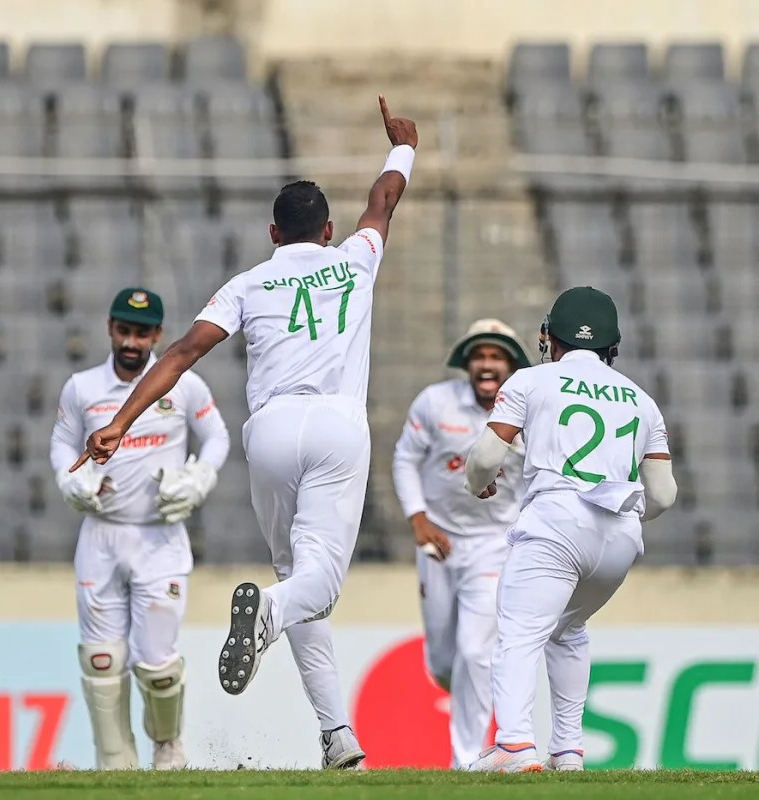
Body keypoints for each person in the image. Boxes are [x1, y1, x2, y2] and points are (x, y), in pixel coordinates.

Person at [72, 95, 417, 769]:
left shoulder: (247, 284)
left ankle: (337, 737)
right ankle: (270, 609)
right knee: (312, 587)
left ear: (271, 233)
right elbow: (384, 198)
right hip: (337, 429)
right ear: (326, 232)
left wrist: (118, 421)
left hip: (269, 434)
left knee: (294, 573)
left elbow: (177, 355)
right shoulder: (355, 259)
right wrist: (402, 146)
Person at [462, 287, 677, 772]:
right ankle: (568, 751)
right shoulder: (644, 401)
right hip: (620, 536)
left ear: (549, 338)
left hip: (556, 522)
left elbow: (485, 458)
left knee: (518, 633)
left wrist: (477, 485)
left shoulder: (530, 381)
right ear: (611, 348)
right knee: (569, 628)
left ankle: (515, 746)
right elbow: (663, 494)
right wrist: (623, 515)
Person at [49, 287, 230, 770]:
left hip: (160, 538)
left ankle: (168, 751)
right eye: (124, 330)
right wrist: (73, 484)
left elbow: (217, 436)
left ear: (158, 335)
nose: (132, 342)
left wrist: (198, 479)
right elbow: (62, 446)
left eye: (142, 332)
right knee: (102, 659)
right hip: (101, 537)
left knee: (158, 664)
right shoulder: (82, 388)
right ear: (111, 328)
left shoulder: (184, 385)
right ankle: (114, 763)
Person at [391, 318, 531, 768]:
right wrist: (419, 520)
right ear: (467, 363)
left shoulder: (528, 411)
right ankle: (468, 725)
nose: (487, 364)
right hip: (438, 543)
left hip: (494, 544)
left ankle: (466, 760)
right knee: (446, 663)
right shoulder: (435, 402)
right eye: (479, 355)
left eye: (497, 356)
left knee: (477, 651)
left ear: (511, 367)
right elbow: (404, 458)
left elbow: (538, 480)